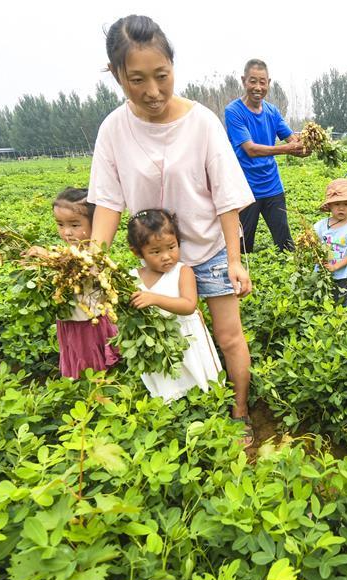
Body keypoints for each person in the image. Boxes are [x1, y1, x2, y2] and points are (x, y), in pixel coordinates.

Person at [87, 15, 255, 444]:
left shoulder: (201, 123)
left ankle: (240, 410)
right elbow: (106, 202)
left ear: (173, 66)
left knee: (227, 335)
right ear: (117, 74)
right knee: (168, 338)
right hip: (155, 255)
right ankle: (183, 414)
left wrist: (234, 261)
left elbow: (226, 196)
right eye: (137, 79)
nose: (153, 91)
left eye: (162, 76)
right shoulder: (113, 130)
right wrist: (92, 264)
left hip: (208, 252)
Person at [127, 209, 223, 401]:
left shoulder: (182, 271)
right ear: (137, 252)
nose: (166, 256)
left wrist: (153, 299)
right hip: (158, 343)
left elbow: (188, 305)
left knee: (201, 381)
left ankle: (208, 406)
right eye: (155, 251)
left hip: (188, 336)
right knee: (169, 383)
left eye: (171, 247)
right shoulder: (132, 277)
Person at [224, 59, 307, 253]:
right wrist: (287, 150)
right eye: (253, 81)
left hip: (272, 186)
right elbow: (250, 149)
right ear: (244, 81)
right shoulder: (234, 111)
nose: (258, 87)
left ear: (269, 82)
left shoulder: (272, 111)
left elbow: (291, 139)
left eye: (263, 82)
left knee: (286, 243)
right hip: (246, 189)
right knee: (244, 246)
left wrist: (303, 147)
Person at [45, 187, 120, 379]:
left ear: (95, 224)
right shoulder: (67, 252)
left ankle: (99, 392)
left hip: (89, 323)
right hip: (70, 319)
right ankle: (84, 387)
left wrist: (45, 256)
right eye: (60, 225)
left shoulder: (93, 255)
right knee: (78, 359)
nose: (66, 232)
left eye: (75, 225)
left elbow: (80, 265)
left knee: (94, 362)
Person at [313, 179, 347, 304]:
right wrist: (316, 258)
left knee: (344, 301)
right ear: (330, 206)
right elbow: (314, 247)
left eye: (346, 204)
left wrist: (336, 266)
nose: (341, 208)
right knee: (323, 300)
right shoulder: (320, 226)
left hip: (343, 274)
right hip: (322, 272)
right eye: (337, 204)